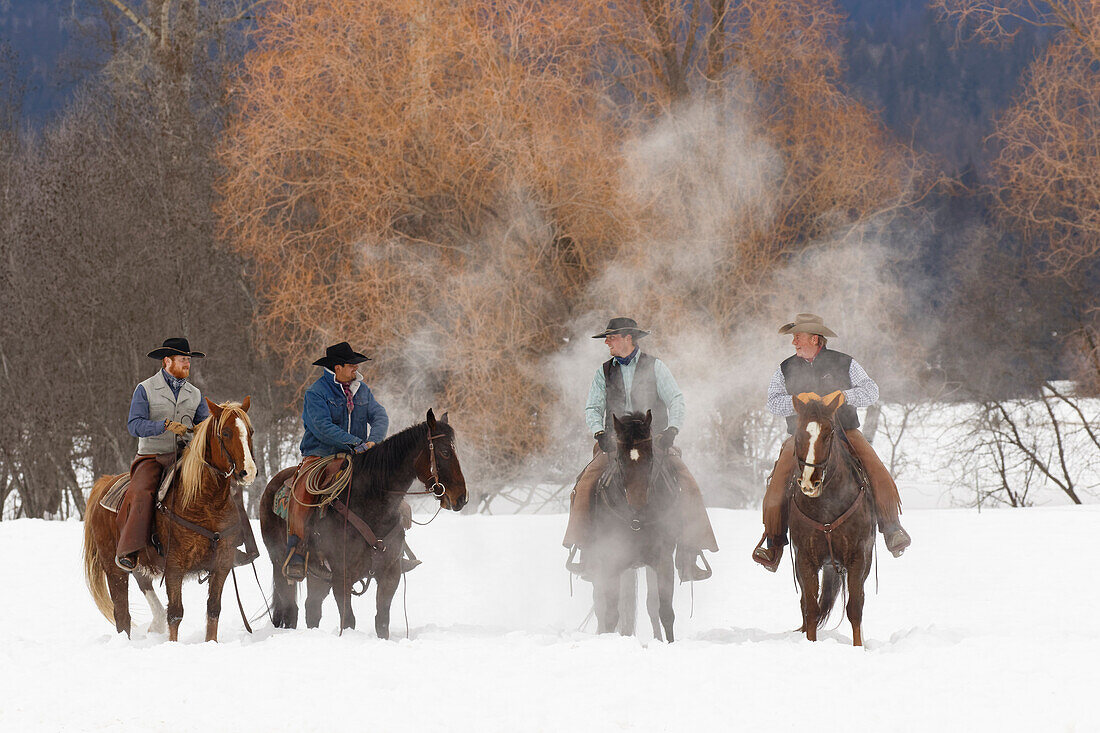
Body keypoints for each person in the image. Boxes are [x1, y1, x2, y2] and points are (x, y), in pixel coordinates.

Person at [562, 317, 719, 582]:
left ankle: (690, 553)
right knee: (585, 484)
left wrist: (672, 430)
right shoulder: (603, 371)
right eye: (607, 338)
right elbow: (593, 407)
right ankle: (585, 550)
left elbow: (676, 399)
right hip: (615, 444)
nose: (608, 342)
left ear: (628, 338)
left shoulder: (656, 366)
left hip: (653, 443)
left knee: (688, 484)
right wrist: (599, 432)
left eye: (611, 337)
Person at [751, 313, 911, 572]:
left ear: (815, 338)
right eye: (794, 338)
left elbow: (871, 391)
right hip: (802, 437)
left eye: (798, 337)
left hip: (845, 431)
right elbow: (771, 402)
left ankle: (892, 528)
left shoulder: (845, 362)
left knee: (876, 468)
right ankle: (773, 540)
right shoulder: (785, 368)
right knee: (779, 478)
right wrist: (795, 401)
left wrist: (843, 395)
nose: (794, 343)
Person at [283, 341, 391, 582]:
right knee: (304, 493)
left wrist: (373, 441)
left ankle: (393, 549)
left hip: (359, 455)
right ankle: (296, 552)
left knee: (387, 491)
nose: (355, 369)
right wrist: (354, 442)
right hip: (320, 455)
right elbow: (321, 427)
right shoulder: (316, 392)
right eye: (351, 365)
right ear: (337, 367)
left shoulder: (362, 390)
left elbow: (379, 415)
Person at [116, 337, 211, 571]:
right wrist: (163, 425)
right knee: (142, 492)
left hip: (187, 457)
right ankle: (130, 549)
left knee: (219, 483)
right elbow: (134, 425)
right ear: (167, 361)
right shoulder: (145, 389)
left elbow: (204, 424)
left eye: (189, 360)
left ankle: (235, 544)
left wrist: (203, 429)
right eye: (183, 360)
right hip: (153, 457)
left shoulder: (195, 394)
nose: (188, 364)